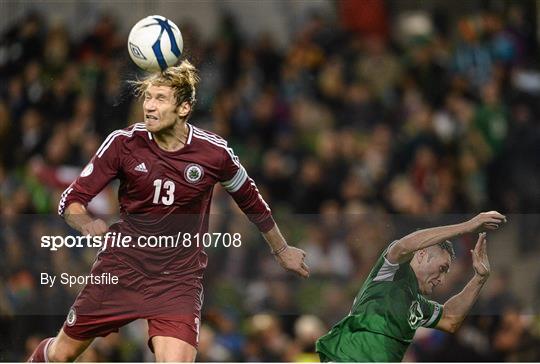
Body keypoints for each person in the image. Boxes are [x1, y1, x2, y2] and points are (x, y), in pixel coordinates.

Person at [28, 60, 309, 362]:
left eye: (160, 98)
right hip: (121, 268)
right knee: (60, 356)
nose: (149, 106)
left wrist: (281, 250)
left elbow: (252, 201)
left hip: (178, 281)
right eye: (148, 97)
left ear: (184, 108)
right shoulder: (123, 143)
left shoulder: (214, 153)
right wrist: (85, 223)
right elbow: (72, 199)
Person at [316, 211, 507, 362]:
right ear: (422, 254)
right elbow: (404, 245)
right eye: (442, 268)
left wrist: (479, 278)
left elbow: (450, 320)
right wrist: (467, 227)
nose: (441, 279)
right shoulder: (393, 272)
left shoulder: (419, 305)